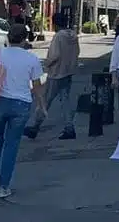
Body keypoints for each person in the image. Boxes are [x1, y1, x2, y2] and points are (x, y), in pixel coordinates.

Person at [0, 23, 46, 200]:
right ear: (26, 39)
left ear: (8, 37)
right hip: (22, 105)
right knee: (11, 145)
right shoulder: (32, 59)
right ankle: (4, 187)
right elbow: (36, 86)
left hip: (0, 102)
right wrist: (42, 105)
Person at [27, 11, 80, 141]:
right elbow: (77, 52)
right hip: (68, 72)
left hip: (56, 73)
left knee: (45, 101)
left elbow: (55, 55)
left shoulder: (58, 36)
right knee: (65, 100)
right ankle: (69, 127)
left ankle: (35, 126)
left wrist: (46, 64)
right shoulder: (73, 35)